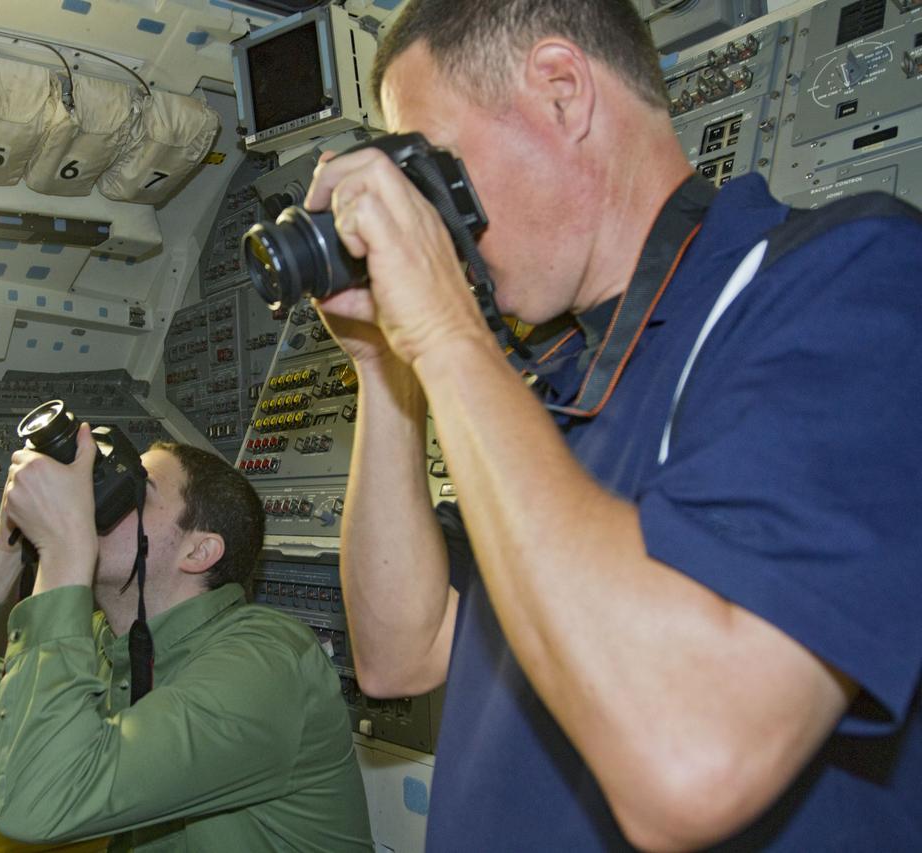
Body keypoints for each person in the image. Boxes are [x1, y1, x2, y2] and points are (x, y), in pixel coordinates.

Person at [307, 0, 922, 849]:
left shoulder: (851, 284)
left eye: (434, 170)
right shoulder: (550, 382)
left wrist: (447, 333)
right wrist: (384, 363)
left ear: (562, 91)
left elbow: (692, 756)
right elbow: (398, 654)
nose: (432, 221)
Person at [0, 431, 372, 851]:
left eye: (137, 487)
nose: (98, 495)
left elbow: (42, 804)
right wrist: (8, 543)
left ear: (199, 550)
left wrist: (63, 547)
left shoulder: (267, 663)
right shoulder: (108, 648)